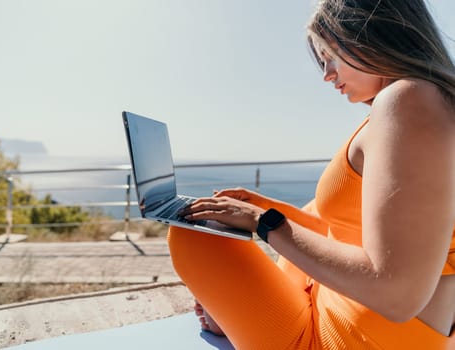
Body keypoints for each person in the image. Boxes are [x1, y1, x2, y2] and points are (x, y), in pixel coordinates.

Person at [167, 0, 455, 349]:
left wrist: (263, 221)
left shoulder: (409, 100)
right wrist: (260, 207)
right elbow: (351, 234)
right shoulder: (423, 106)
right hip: (336, 308)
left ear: (375, 34)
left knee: (196, 233)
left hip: (342, 339)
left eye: (330, 55)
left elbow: (397, 293)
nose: (327, 74)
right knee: (301, 211)